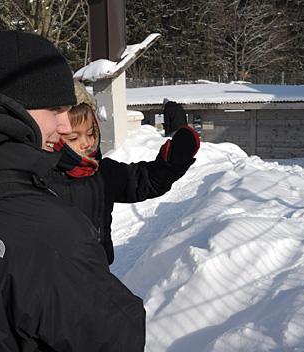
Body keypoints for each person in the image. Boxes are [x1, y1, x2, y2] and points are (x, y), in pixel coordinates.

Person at [0, 31, 145, 351]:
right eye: (56, 109)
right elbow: (116, 336)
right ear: (15, 107)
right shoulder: (46, 230)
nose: (65, 126)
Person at [48, 82, 200, 264]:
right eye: (73, 137)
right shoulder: (41, 179)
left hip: (97, 272)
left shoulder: (102, 173)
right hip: (54, 281)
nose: (87, 143)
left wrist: (171, 163)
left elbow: (144, 181)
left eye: (90, 133)